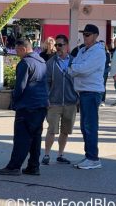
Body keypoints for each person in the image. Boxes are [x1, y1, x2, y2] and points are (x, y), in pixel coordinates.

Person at [0, 39, 49, 176]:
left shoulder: (25, 63)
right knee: (35, 138)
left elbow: (20, 86)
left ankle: (14, 167)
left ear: (23, 49)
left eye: (17, 50)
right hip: (41, 105)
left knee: (22, 137)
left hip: (27, 106)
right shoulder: (42, 61)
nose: (17, 53)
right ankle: (33, 166)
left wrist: (14, 101)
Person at [68, 24, 105, 170]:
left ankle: (93, 158)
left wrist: (73, 69)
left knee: (89, 126)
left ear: (96, 36)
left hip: (91, 92)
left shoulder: (98, 52)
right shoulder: (82, 50)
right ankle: (89, 156)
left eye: (88, 34)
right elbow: (75, 65)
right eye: (84, 34)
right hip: (83, 92)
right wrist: (75, 68)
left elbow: (82, 69)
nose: (85, 37)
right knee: (85, 126)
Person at [42, 34, 78, 165]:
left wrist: (77, 97)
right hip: (54, 103)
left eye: (60, 45)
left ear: (67, 46)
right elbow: (45, 82)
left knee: (65, 131)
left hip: (70, 103)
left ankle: (60, 154)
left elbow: (80, 80)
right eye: (56, 45)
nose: (58, 47)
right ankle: (46, 155)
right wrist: (46, 98)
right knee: (51, 130)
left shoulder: (75, 61)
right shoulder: (50, 63)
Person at [99, 40, 111, 107]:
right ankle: (99, 99)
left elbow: (107, 62)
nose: (101, 46)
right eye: (100, 44)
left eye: (102, 44)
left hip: (104, 71)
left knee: (103, 86)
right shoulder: (97, 52)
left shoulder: (107, 53)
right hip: (99, 72)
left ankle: (102, 100)